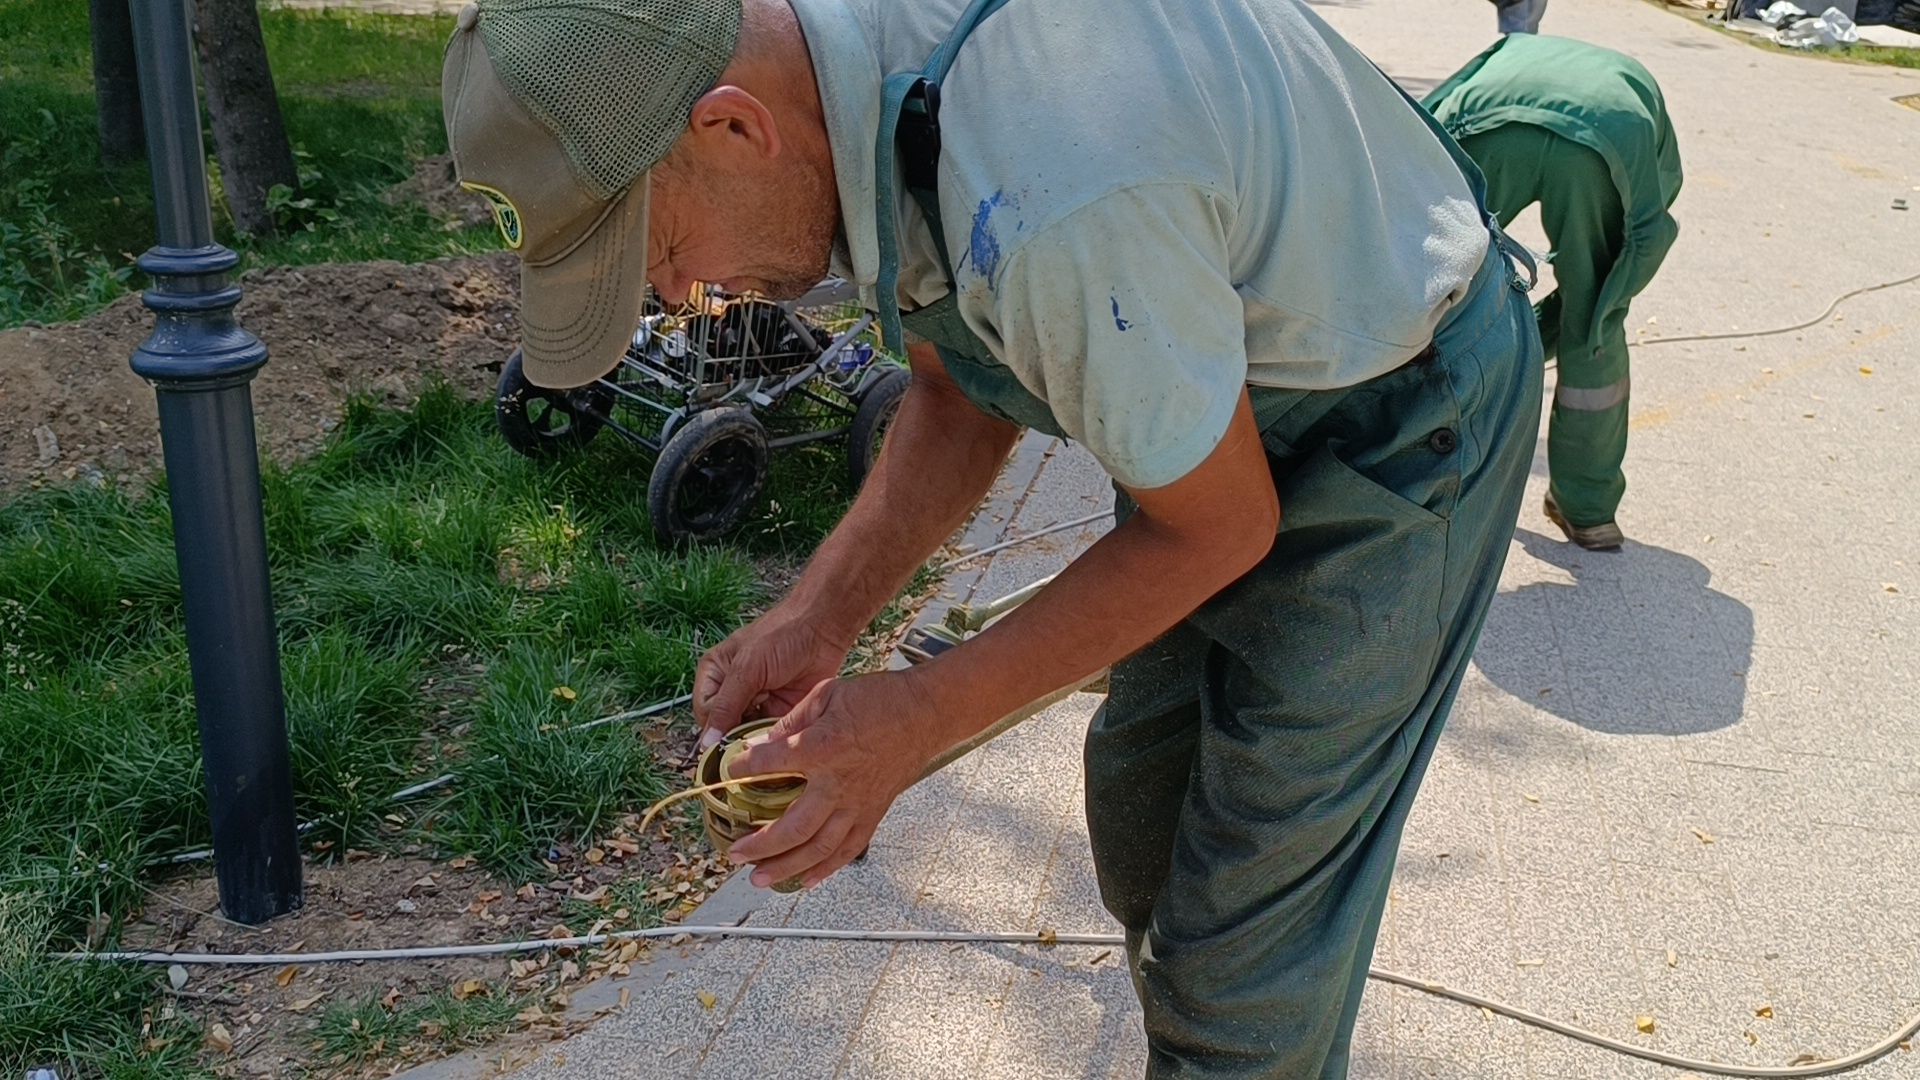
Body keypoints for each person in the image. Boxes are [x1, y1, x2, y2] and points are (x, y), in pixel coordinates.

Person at [442, 0, 1543, 1074]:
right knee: (1146, 817)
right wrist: (820, 616)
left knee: (1247, 963)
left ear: (735, 126)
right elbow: (961, 386)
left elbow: (1217, 526)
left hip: (1398, 406)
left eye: (663, 248)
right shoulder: (862, 84)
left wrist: (916, 721)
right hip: (1223, 389)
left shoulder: (1054, 195)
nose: (685, 299)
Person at [1424, 35, 1683, 550]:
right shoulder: (1640, 105)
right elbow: (1648, 229)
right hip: (1602, 146)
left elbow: (1419, 126)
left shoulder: (1505, 51)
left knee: (1436, 303)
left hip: (1488, 126)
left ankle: (1405, 479)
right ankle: (1588, 512)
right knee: (1594, 327)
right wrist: (1590, 311)